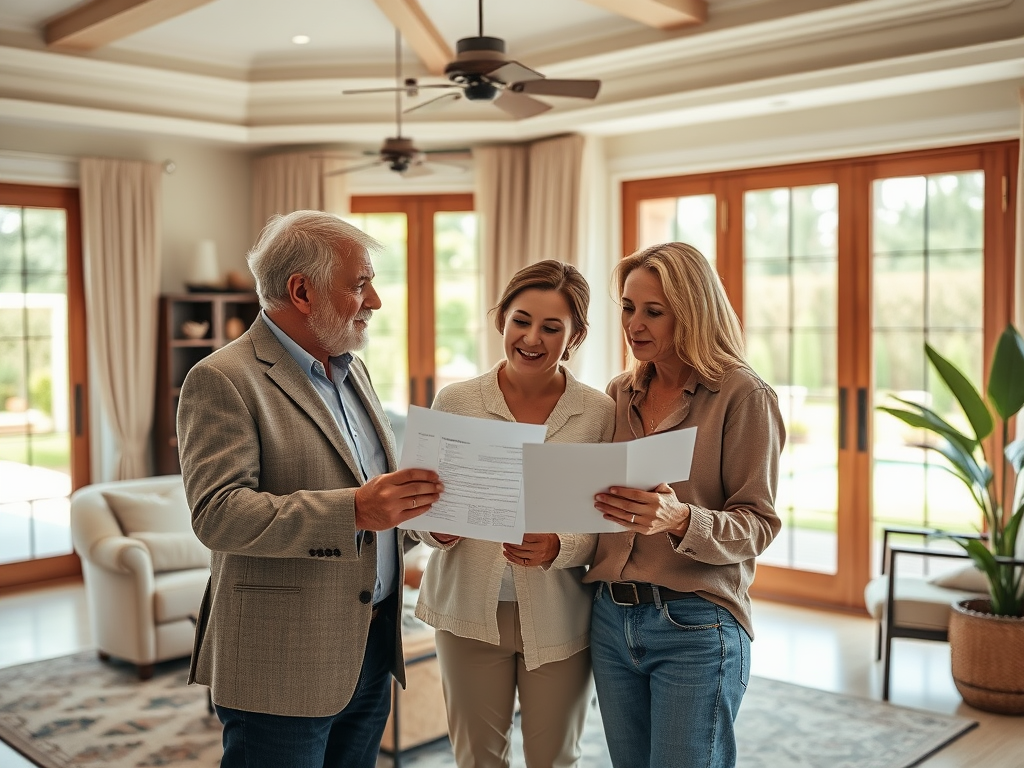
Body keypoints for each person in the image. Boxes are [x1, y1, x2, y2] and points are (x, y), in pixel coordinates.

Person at [176, 209, 444, 768]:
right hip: (281, 661)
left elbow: (374, 505)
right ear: (302, 291)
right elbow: (218, 513)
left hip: (369, 648)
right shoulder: (222, 379)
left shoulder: (356, 371)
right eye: (360, 284)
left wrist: (418, 522)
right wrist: (353, 509)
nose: (375, 302)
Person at [585, 242, 785, 768]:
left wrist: (679, 519)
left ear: (692, 313)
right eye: (628, 307)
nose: (635, 324)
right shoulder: (619, 393)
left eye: (654, 311)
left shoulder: (743, 395)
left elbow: (759, 523)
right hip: (610, 617)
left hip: (696, 624)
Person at [412, 260, 615, 768]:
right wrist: (435, 527)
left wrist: (558, 546)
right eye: (521, 320)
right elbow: (418, 508)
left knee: (556, 760)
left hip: (561, 616)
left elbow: (608, 526)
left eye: (552, 327)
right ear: (501, 318)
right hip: (466, 615)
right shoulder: (455, 400)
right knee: (478, 761)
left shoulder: (599, 413)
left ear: (576, 336)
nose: (532, 337)